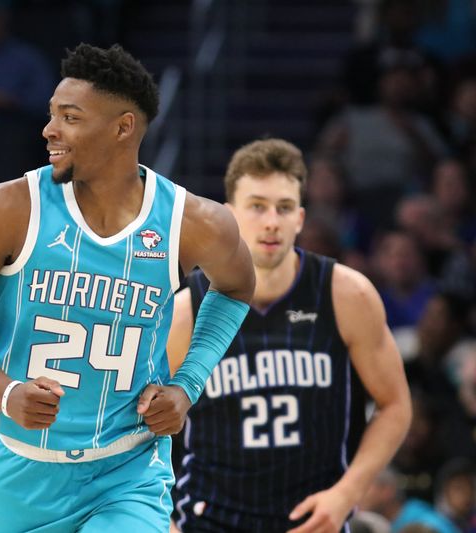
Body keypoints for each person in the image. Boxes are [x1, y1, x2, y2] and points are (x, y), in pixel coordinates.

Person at [0, 43, 255, 532]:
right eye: (52, 114)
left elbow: (236, 289)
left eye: (70, 118)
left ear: (123, 128)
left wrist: (187, 385)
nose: (49, 130)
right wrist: (5, 391)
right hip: (21, 469)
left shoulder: (195, 222)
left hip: (127, 468)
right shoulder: (12, 207)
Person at [168, 139, 412, 532]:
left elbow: (395, 405)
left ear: (300, 218)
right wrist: (161, 517)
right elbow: (137, 426)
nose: (271, 221)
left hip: (312, 520)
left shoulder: (347, 295)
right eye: (258, 206)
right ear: (229, 216)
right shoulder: (186, 312)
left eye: (283, 208)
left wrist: (347, 494)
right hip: (209, 520)